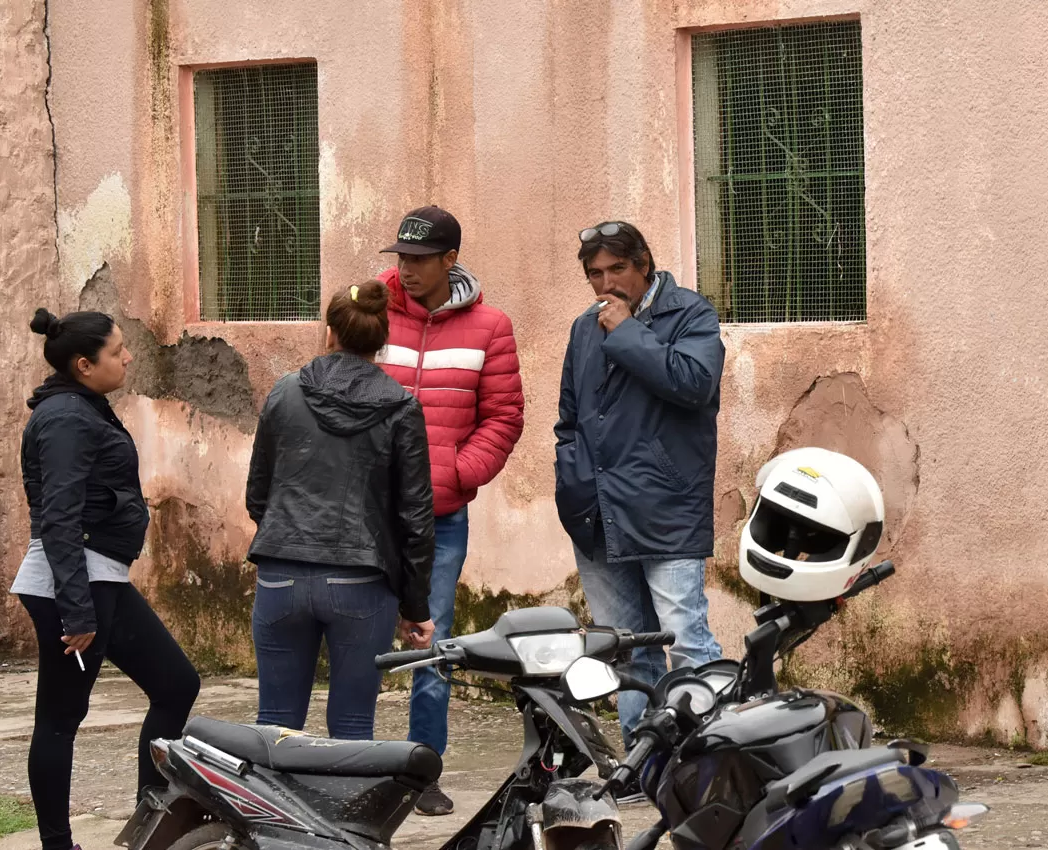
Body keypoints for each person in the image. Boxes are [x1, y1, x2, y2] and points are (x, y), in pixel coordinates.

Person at [13, 308, 201, 850]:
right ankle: (57, 843)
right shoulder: (68, 418)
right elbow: (59, 517)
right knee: (60, 718)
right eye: (117, 351)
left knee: (175, 684)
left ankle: (153, 821)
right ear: (83, 364)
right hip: (74, 584)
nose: (128, 357)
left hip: (99, 577)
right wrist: (76, 610)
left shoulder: (81, 406)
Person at [554, 221, 725, 758]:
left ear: (644, 264)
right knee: (625, 650)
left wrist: (627, 331)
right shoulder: (585, 328)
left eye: (617, 270)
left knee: (685, 639)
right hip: (596, 512)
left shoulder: (690, 314)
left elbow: (693, 384)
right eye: (595, 274)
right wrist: (573, 476)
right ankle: (642, 759)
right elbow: (568, 420)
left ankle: (706, 756)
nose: (606, 284)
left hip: (666, 508)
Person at [375, 206, 524, 815]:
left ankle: (421, 771)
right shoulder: (369, 312)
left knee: (431, 641)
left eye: (418, 260)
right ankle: (345, 766)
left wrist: (457, 473)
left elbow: (505, 417)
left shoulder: (491, 326)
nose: (406, 270)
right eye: (401, 259)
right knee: (358, 638)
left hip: (438, 515)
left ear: (449, 261)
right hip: (362, 511)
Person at [246, 279, 437, 741]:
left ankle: (270, 814)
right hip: (361, 583)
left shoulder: (284, 392)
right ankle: (344, 814)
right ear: (382, 342)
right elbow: (416, 517)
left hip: (280, 575)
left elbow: (258, 494)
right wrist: (415, 605)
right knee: (352, 729)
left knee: (274, 725)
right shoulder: (402, 407)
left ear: (329, 332)